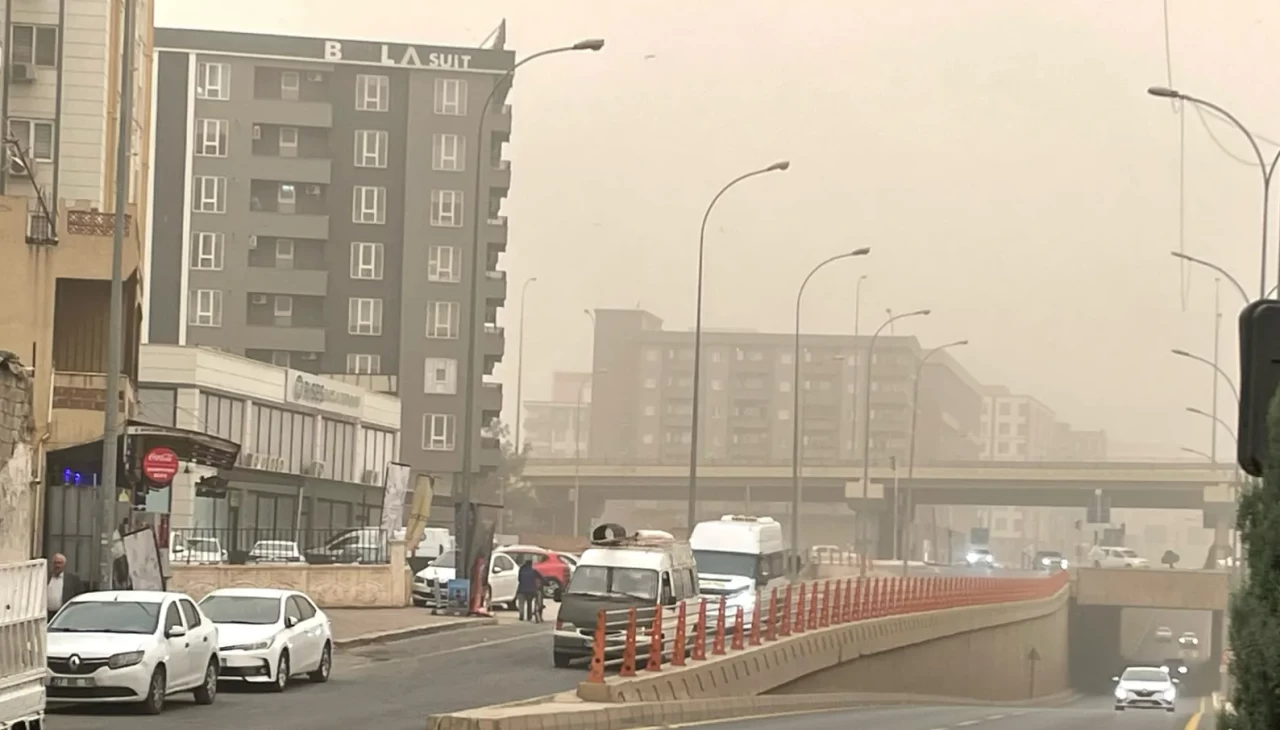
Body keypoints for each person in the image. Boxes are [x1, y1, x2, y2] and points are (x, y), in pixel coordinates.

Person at [47, 554, 87, 620]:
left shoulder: (73, 579)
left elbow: (80, 596)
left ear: (64, 565)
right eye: (55, 563)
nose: (57, 565)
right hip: (48, 615)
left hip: (65, 614)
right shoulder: (45, 578)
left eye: (59, 563)